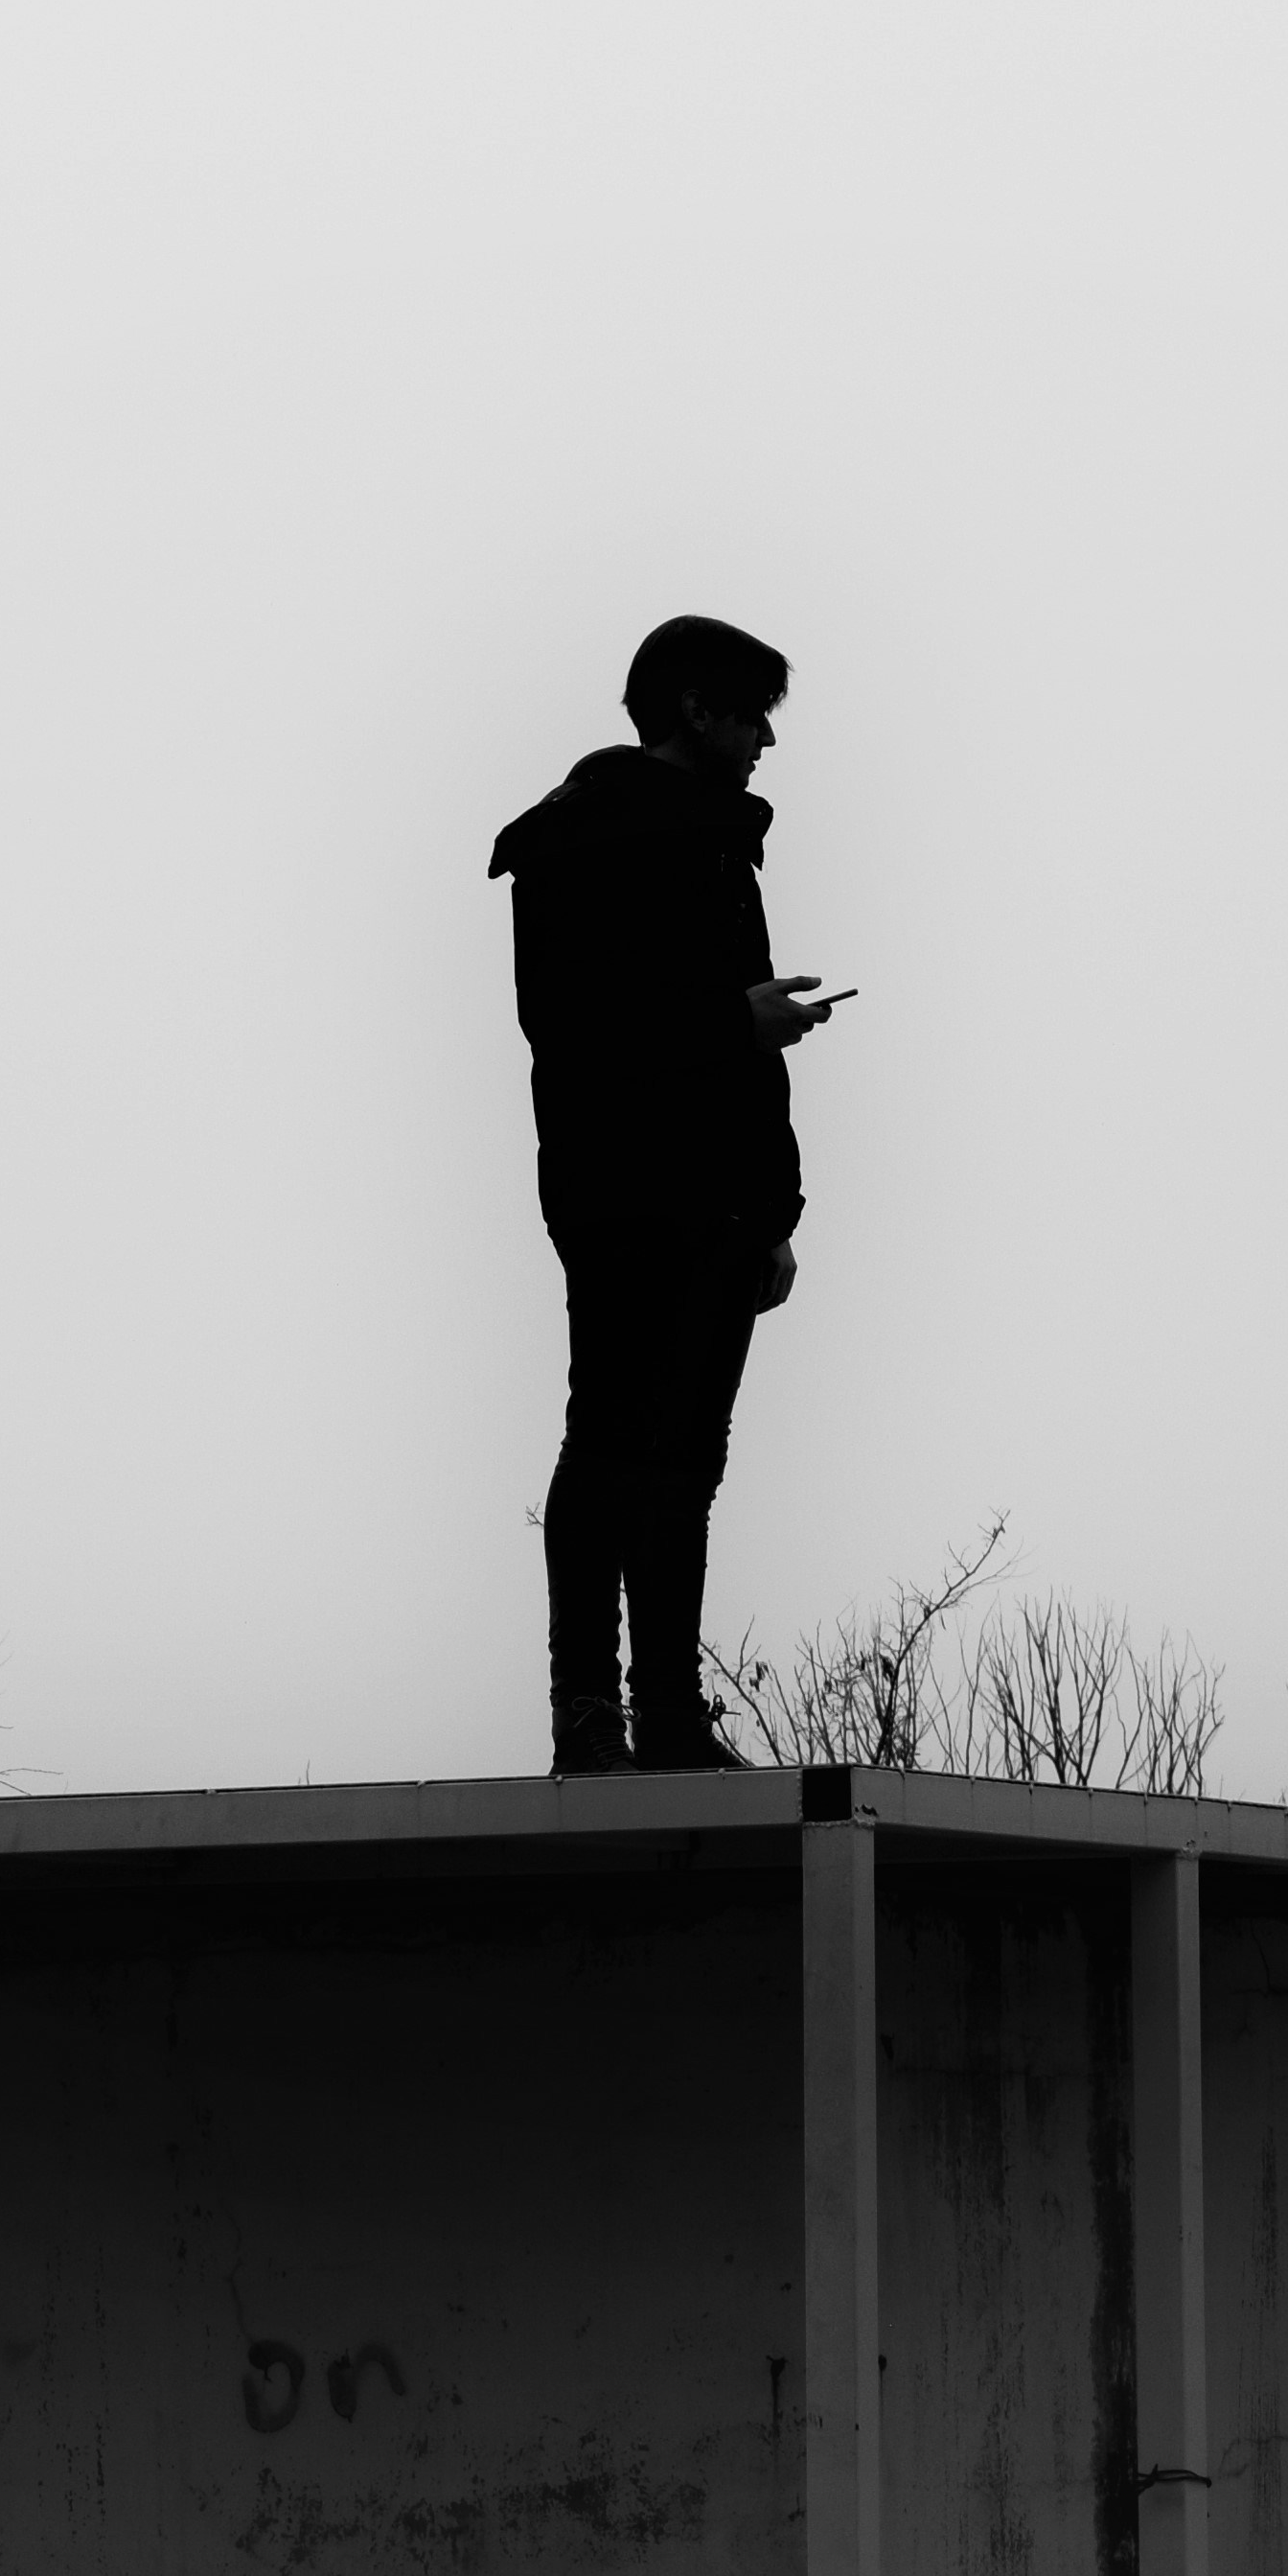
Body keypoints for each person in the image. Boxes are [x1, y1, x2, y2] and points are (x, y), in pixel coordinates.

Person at [487, 616, 841, 1775]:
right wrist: (734, 1020)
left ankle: (673, 1721)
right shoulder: (577, 837)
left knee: (686, 1459)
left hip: (721, 1206)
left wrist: (775, 1213)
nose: (766, 740)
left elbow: (740, 1057)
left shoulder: (715, 844)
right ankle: (589, 1715)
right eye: (754, 714)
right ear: (696, 707)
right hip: (624, 1189)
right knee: (610, 1439)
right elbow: (569, 1025)